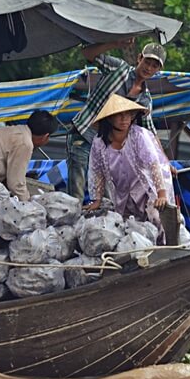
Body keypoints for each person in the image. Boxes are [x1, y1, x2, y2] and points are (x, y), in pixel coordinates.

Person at [65, 38, 166, 201]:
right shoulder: (118, 68)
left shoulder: (145, 99)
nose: (149, 68)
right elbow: (87, 53)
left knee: (107, 200)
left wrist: (164, 161)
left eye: (154, 66)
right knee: (76, 192)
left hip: (105, 147)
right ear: (139, 58)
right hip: (83, 134)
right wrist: (115, 43)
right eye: (147, 62)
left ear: (158, 70)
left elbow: (150, 132)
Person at [85, 95, 175, 241]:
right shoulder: (99, 143)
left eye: (128, 115)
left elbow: (153, 164)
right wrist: (97, 199)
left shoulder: (139, 135)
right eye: (119, 115)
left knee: (158, 223)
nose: (124, 119)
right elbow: (97, 171)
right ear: (109, 118)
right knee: (130, 229)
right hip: (123, 193)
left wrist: (161, 194)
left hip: (147, 189)